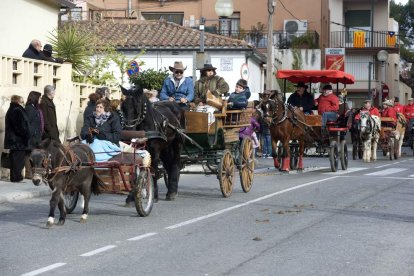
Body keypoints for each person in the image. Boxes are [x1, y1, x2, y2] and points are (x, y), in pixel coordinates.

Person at [4, 95, 30, 182]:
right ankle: (17, 177)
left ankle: (15, 177)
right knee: (18, 160)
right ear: (18, 101)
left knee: (16, 159)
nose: (23, 103)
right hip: (18, 140)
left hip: (14, 139)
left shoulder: (12, 109)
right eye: (22, 101)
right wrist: (25, 134)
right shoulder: (17, 110)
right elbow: (19, 126)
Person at [24, 91, 44, 179]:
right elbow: (28, 124)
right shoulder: (29, 109)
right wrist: (33, 133)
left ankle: (33, 173)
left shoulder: (35, 108)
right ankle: (29, 174)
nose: (40, 100)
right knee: (28, 155)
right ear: (35, 98)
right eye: (39, 98)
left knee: (33, 154)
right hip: (31, 137)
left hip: (36, 137)